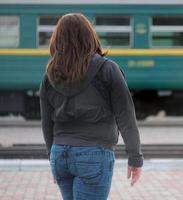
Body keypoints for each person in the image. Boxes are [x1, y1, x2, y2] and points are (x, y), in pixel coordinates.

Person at [39, 13, 143, 200]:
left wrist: (52, 158)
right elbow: (126, 116)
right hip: (94, 154)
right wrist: (135, 157)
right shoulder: (107, 69)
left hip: (59, 153)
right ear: (89, 36)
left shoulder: (50, 75)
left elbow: (47, 123)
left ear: (58, 40)